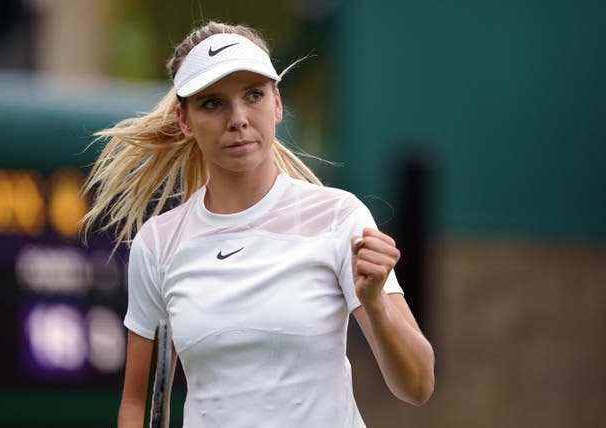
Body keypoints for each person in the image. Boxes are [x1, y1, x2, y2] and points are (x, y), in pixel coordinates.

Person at [82, 21, 434, 428]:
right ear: (185, 120)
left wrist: (374, 304)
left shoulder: (341, 217)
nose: (238, 118)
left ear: (277, 104)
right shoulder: (159, 244)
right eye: (213, 103)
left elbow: (418, 385)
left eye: (253, 95)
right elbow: (135, 406)